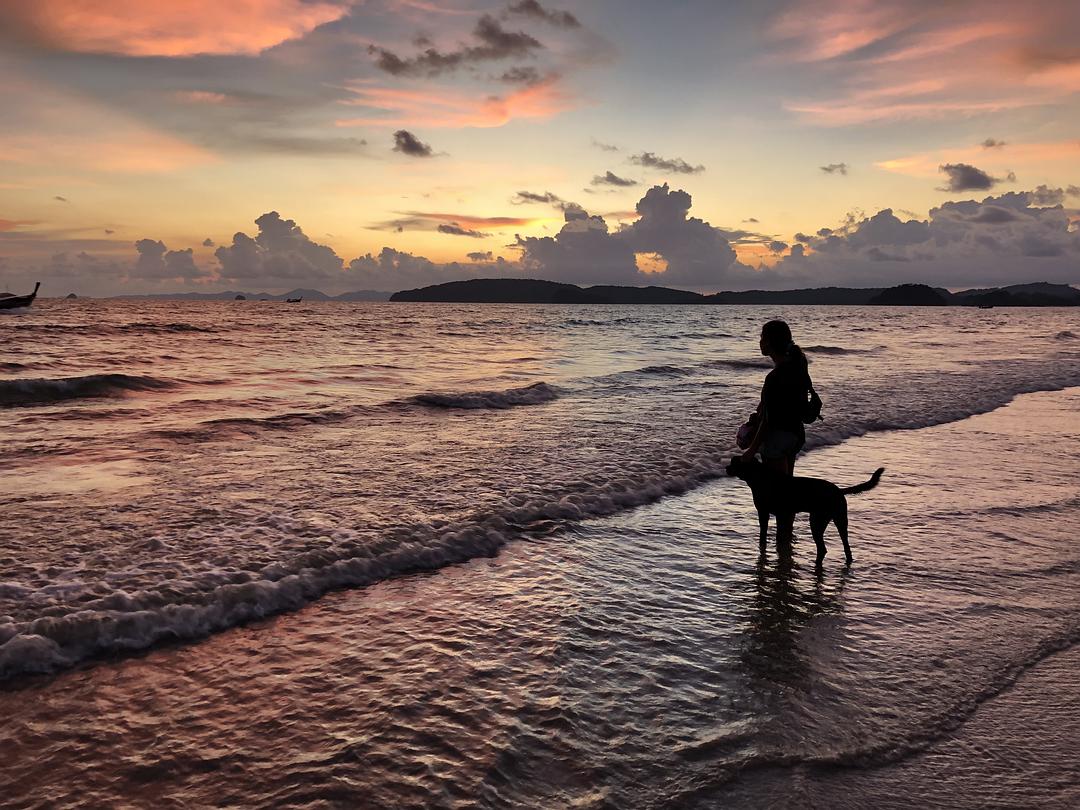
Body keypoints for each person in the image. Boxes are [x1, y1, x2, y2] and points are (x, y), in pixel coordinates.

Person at [741, 319, 810, 479]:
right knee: (787, 489)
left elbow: (768, 421)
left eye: (762, 338)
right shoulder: (799, 364)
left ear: (769, 342)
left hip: (777, 439)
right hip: (795, 435)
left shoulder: (775, 377)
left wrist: (751, 451)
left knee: (777, 495)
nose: (760, 342)